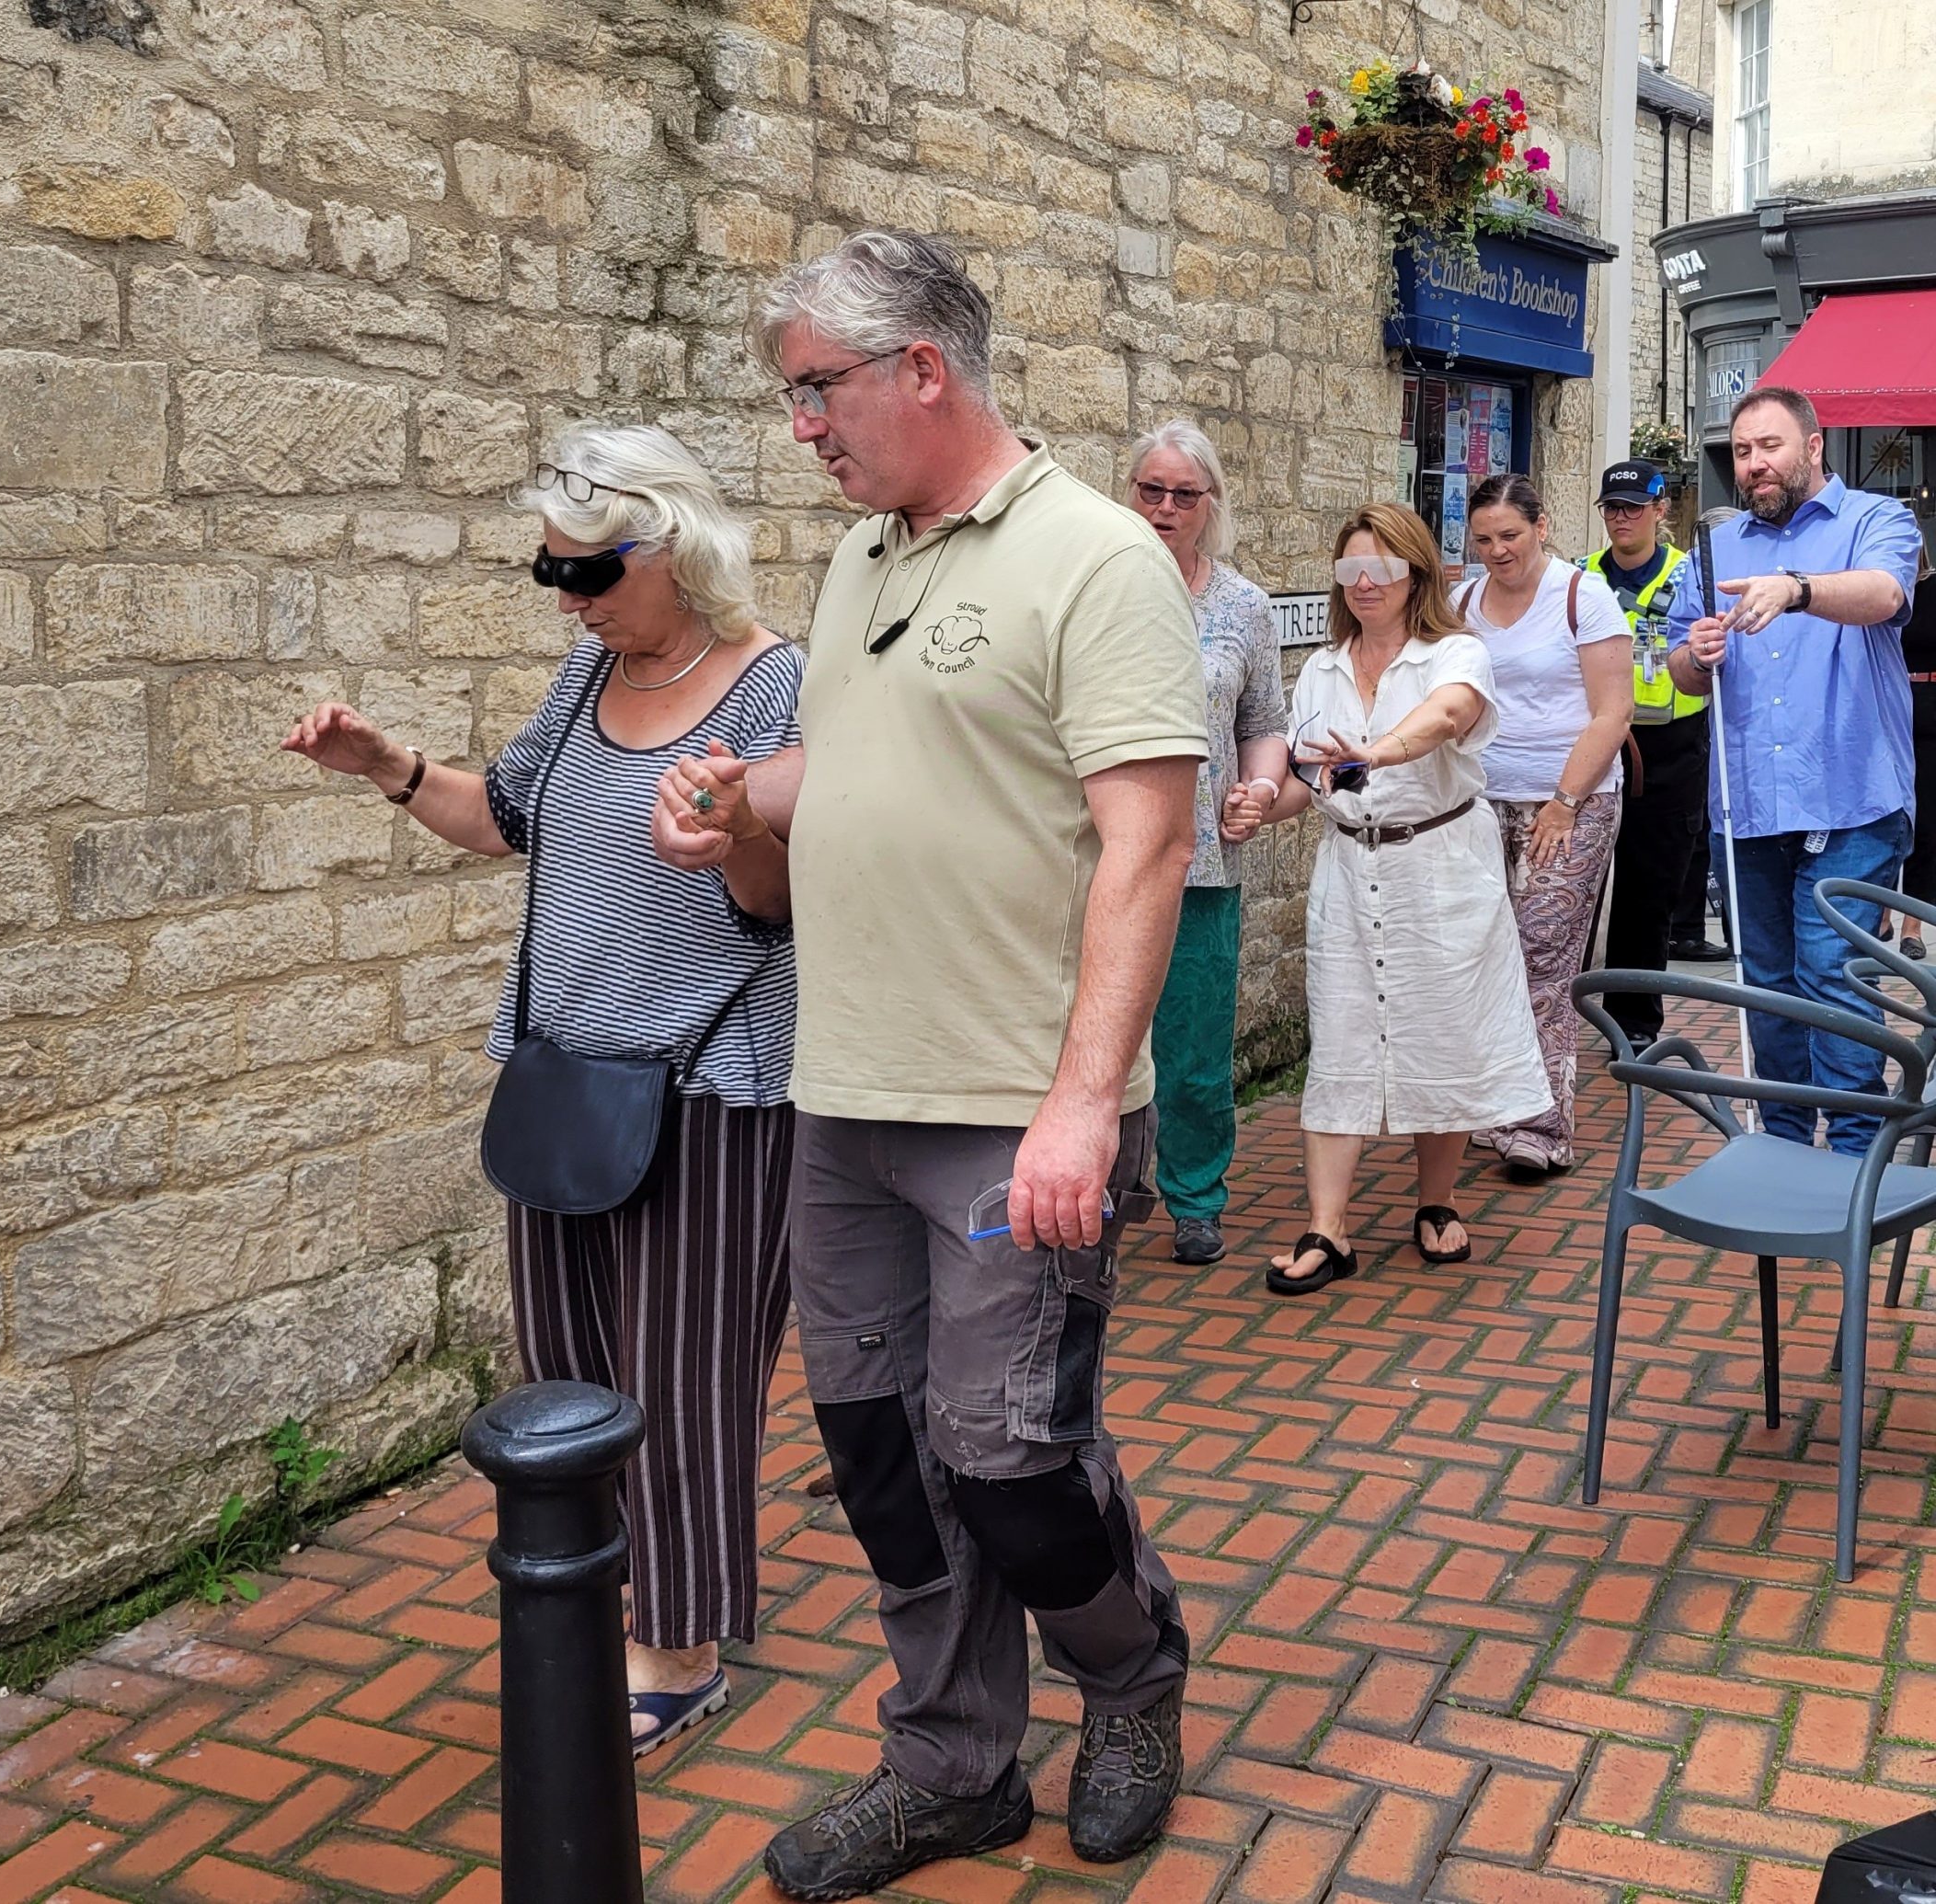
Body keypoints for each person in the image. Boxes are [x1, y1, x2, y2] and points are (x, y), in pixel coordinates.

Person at [653, 230, 1207, 1897]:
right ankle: (956, 1761)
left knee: (1013, 1454)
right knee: (888, 1456)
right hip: (846, 1096)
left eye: (818, 390)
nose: (802, 427)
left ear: (922, 370)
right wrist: (744, 793)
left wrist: (1080, 1105)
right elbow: (860, 755)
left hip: (1003, 1114)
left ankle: (1130, 1679)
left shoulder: (1096, 561)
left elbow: (1149, 844)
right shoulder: (862, 563)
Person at [283, 422, 804, 1757]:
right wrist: (390, 768)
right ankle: (596, 1596)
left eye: (593, 571)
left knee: (686, 1381)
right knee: (569, 1373)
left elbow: (789, 897)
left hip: (714, 1085)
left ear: (680, 550)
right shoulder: (582, 686)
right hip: (565, 1081)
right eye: (551, 573)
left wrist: (730, 832)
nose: (571, 599)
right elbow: (501, 818)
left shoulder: (771, 689)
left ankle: (682, 1648)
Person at [1222, 503, 1551, 1289]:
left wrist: (1378, 748)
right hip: (1349, 868)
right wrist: (1262, 801)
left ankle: (1435, 1201)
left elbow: (1447, 718)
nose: (1365, 584)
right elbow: (1309, 778)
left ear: (1416, 575)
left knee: (1440, 1032)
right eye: (1350, 570)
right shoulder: (1323, 669)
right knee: (1341, 1037)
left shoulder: (1456, 654)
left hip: (1439, 865)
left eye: (1384, 569)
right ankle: (1327, 1230)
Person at [1666, 385, 1921, 1154]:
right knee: (1766, 985)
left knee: (1831, 975)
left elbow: (1883, 593)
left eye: (1770, 447)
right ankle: (1778, 1141)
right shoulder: (1716, 548)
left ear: (1813, 447)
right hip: (1746, 807)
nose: (1754, 465)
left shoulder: (1876, 520)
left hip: (1850, 798)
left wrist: (1798, 591)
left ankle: (1852, 1156)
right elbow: (1680, 670)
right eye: (1742, 453)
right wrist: (1696, 655)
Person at [1121, 422, 1288, 1266]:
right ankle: (1110, 1185)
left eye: (1184, 493)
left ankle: (1195, 1196)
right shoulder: (1096, 587)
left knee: (1192, 1046)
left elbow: (1263, 726)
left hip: (1202, 862)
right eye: (1151, 489)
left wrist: (1258, 789)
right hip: (1098, 854)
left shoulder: (1244, 608)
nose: (1165, 507)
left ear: (1209, 503)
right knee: (1100, 1034)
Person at [1454, 475, 1634, 1177]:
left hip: (1570, 800)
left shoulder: (1581, 596)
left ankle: (1542, 1123)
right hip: (1479, 802)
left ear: (1543, 526)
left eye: (1510, 536)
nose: (1499, 551)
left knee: (1542, 955)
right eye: (1485, 540)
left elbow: (1612, 713)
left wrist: (1563, 803)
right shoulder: (1461, 601)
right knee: (1483, 954)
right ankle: (1494, 1102)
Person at [1589, 460, 1711, 1040]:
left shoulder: (1692, 576)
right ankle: (1568, 1008)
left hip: (1669, 747)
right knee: (1576, 884)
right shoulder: (1583, 576)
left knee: (1648, 889)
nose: (1621, 518)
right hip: (1597, 740)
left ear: (1661, 510)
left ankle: (1634, 1020)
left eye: (1634, 507)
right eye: (1612, 508)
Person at [1893, 545, 1936, 958]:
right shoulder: (1874, 595)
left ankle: (1913, 925)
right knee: (1887, 816)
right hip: (1886, 708)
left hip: (1929, 711)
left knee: (1927, 826)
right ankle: (1881, 910)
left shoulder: (1932, 588)